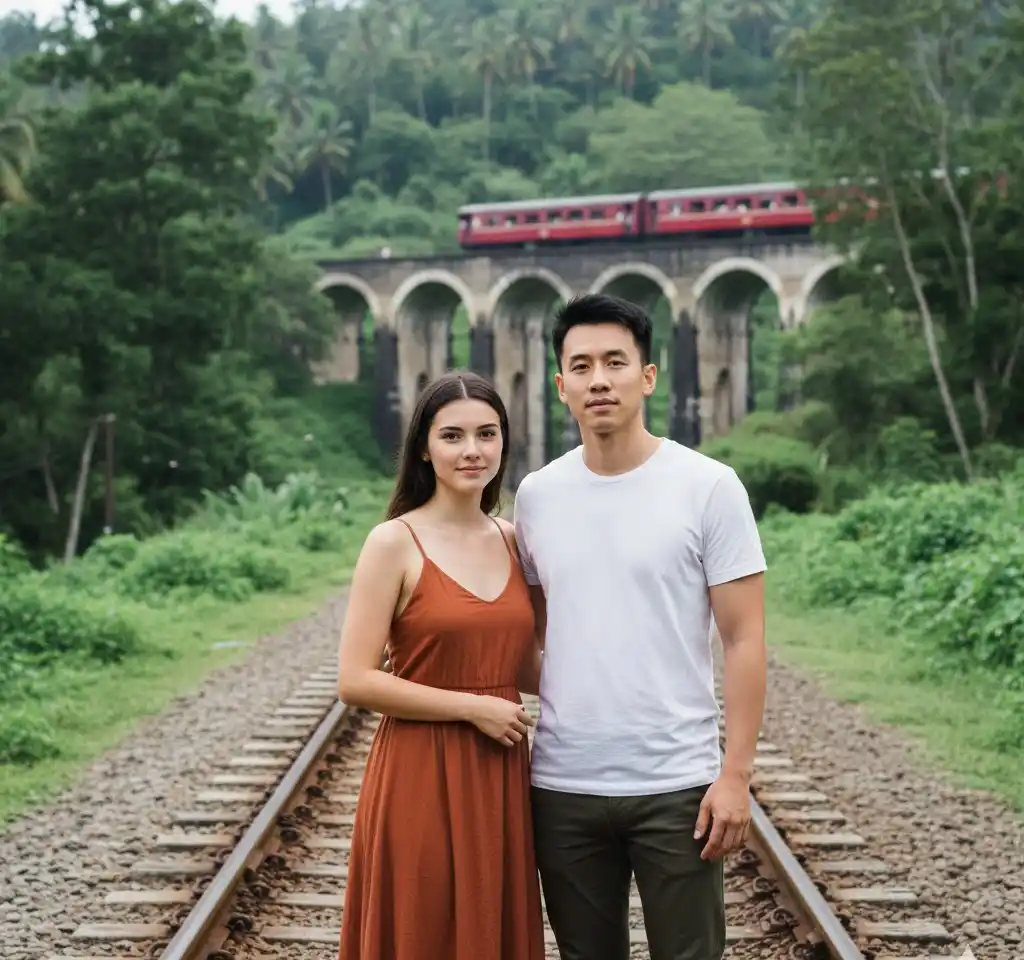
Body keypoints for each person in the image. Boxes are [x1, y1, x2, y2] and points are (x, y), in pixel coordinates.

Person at [513, 293, 768, 960]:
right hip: (564, 784)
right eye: (582, 365)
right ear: (559, 385)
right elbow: (527, 635)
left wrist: (734, 774)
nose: (600, 379)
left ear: (647, 376)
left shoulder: (709, 487)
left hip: (676, 783)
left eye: (616, 362)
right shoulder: (537, 495)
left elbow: (744, 640)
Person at [336, 370, 545, 960]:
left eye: (487, 433)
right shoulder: (393, 543)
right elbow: (354, 679)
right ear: (424, 449)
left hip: (497, 772)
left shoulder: (514, 540)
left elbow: (524, 664)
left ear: (504, 442)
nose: (472, 450)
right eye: (452, 436)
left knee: (488, 922)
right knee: (424, 929)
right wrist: (471, 707)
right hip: (419, 771)